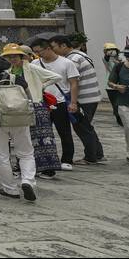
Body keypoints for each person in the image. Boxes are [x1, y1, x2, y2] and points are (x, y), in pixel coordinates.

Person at [0, 47, 37, 201]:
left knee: (2, 155)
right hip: (20, 117)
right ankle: (27, 180)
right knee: (26, 152)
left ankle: (10, 189)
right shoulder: (16, 78)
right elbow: (29, 98)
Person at [10, 43, 63, 179]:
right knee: (25, 138)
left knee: (42, 137)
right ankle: (26, 167)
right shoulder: (11, 71)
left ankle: (48, 169)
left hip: (36, 104)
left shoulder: (32, 68)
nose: (13, 59)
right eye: (10, 57)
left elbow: (56, 77)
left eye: (15, 56)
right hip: (21, 105)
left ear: (22, 57)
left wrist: (41, 86)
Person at [51, 34, 105, 164]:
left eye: (54, 47)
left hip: (84, 98)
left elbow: (72, 81)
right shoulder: (80, 55)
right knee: (86, 126)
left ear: (63, 45)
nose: (53, 50)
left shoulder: (72, 59)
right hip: (91, 96)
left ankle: (90, 157)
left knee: (82, 127)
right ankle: (98, 153)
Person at [30, 36, 77, 170]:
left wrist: (73, 102)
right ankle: (45, 160)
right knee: (42, 133)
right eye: (36, 52)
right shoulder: (35, 64)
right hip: (41, 102)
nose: (38, 55)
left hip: (60, 101)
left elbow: (74, 83)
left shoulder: (66, 63)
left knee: (64, 132)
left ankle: (67, 159)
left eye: (40, 51)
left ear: (48, 48)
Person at [102, 42, 124, 126]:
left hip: (121, 84)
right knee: (115, 104)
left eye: (113, 50)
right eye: (109, 50)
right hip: (111, 86)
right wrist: (108, 54)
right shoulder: (106, 60)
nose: (112, 52)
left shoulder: (120, 59)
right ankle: (118, 118)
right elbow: (106, 59)